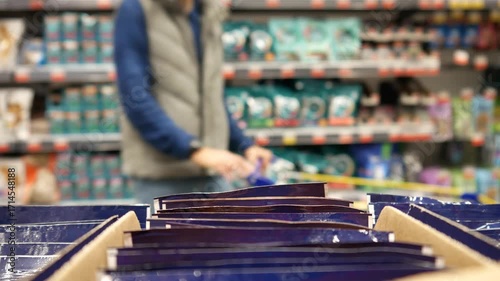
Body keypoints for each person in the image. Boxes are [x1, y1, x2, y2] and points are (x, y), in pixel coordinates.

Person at [114, 0, 273, 208]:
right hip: (163, 179)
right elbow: (135, 99)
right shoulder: (136, 9)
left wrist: (244, 145)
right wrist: (193, 150)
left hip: (213, 176)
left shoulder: (208, 12)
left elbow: (212, 97)